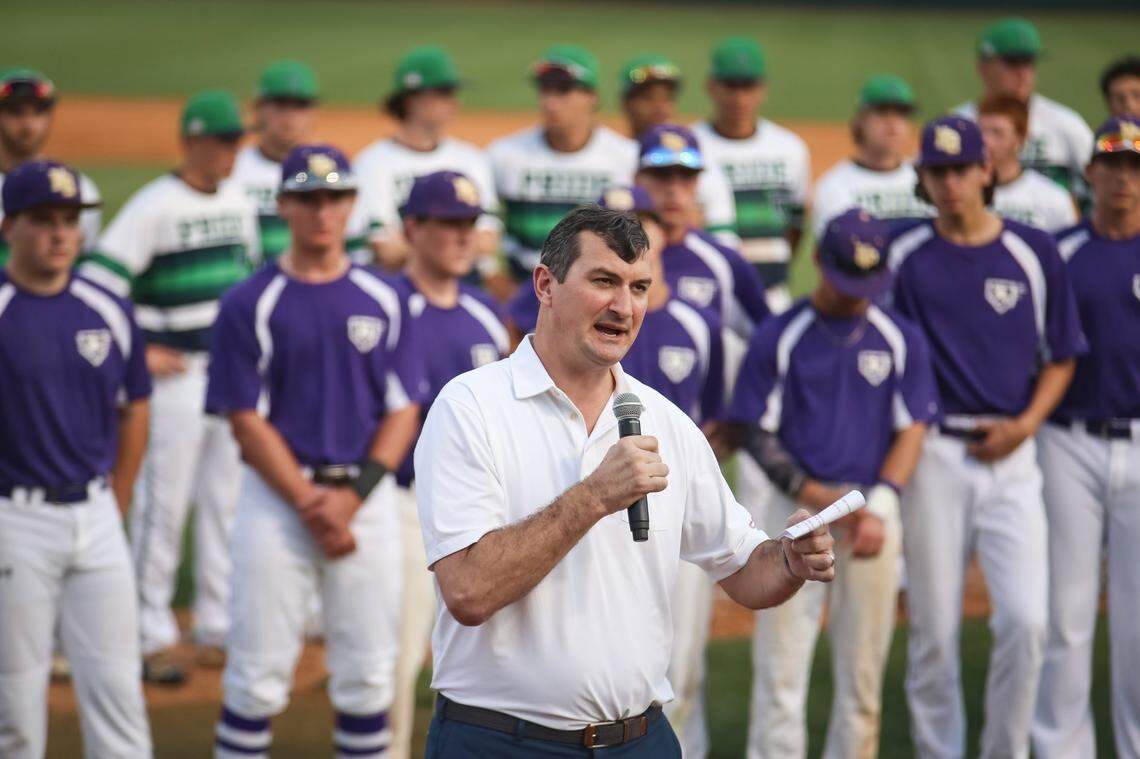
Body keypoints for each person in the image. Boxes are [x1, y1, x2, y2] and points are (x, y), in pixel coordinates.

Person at [415, 205, 836, 758]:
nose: (624, 306)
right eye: (604, 281)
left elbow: (741, 568)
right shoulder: (471, 407)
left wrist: (787, 561)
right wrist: (593, 497)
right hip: (500, 742)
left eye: (639, 287)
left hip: (640, 741)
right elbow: (468, 591)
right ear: (545, 284)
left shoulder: (666, 422)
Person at [207, 144, 424, 759]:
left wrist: (350, 499)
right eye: (307, 198)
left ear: (352, 204)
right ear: (283, 205)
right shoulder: (248, 303)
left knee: (368, 678)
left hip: (365, 501)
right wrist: (311, 503)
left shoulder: (384, 298)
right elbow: (244, 418)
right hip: (278, 503)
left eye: (333, 198)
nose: (321, 211)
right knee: (254, 678)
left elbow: (404, 408)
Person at [888, 116, 1086, 759]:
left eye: (960, 170)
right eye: (935, 172)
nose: (948, 184)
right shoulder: (903, 254)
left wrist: (1027, 424)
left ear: (987, 172)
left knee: (1028, 621)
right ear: (922, 179)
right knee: (935, 633)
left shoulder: (1034, 251)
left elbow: (1063, 354)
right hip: (936, 456)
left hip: (1015, 456)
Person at [729, 209, 938, 759]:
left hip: (871, 510)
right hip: (794, 510)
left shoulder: (899, 337)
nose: (855, 295)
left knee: (862, 677)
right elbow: (754, 430)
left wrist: (882, 504)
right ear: (819, 260)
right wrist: (823, 500)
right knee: (780, 673)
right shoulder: (782, 334)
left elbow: (914, 425)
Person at [78, 90, 260, 684]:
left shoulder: (237, 198)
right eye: (220, 140)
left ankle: (215, 620)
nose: (231, 151)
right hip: (176, 379)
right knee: (162, 507)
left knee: (223, 503)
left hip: (225, 377)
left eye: (236, 140)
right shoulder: (153, 205)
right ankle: (147, 631)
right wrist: (141, 348)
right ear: (191, 141)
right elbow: (98, 284)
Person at [0, 160, 152, 758]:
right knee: (14, 707)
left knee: (118, 691)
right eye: (43, 220)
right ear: (9, 225)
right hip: (15, 521)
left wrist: (118, 498)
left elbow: (135, 405)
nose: (61, 234)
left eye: (70, 220)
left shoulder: (107, 307)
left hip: (96, 517)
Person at [596, 185, 727, 758]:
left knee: (685, 663)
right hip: (597, 506)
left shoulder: (698, 326)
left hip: (677, 506)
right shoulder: (589, 323)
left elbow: (719, 417)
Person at [387, 170, 509, 759]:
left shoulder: (486, 313)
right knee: (395, 658)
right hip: (401, 506)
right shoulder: (388, 308)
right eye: (449, 224)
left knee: (480, 660)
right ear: (413, 228)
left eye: (470, 225)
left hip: (480, 514)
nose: (464, 237)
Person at [1033, 116, 1140, 759]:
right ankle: (1060, 749)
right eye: (1113, 165)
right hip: (1066, 440)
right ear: (1090, 173)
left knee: (1138, 622)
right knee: (1067, 615)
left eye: (1134, 167)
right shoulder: (1060, 252)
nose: (1124, 178)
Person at [352, 47, 503, 289]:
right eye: (444, 93)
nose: (454, 102)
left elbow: (487, 241)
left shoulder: (472, 159)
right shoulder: (371, 164)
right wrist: (454, 250)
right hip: (398, 289)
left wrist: (426, 249)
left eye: (453, 93)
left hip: (464, 287)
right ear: (411, 99)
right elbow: (386, 251)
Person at [487, 45, 637, 284]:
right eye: (545, 90)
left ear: (592, 97)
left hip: (598, 286)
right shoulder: (506, 154)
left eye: (563, 90)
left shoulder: (626, 158)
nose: (550, 102)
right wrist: (493, 275)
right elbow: (483, 223)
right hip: (524, 283)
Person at [692, 37, 811, 314]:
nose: (739, 98)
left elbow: (796, 224)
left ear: (762, 90)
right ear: (712, 87)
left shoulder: (790, 149)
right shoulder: (693, 147)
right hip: (710, 295)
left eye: (748, 87)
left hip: (773, 293)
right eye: (730, 86)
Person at [955, 18, 1093, 199]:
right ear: (983, 68)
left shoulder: (1066, 123)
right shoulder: (958, 124)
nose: (1023, 72)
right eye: (1012, 62)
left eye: (1029, 62)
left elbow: (1099, 182)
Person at [618, 54, 738, 247]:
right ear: (625, 103)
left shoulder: (698, 159)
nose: (659, 107)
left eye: (667, 98)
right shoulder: (609, 157)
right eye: (648, 98)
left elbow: (725, 239)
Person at [0, 68, 101, 265]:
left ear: (50, 117)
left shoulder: (77, 189)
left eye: (38, 112)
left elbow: (83, 262)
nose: (28, 124)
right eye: (15, 112)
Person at [812, 74, 933, 237]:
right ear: (860, 120)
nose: (893, 123)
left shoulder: (929, 179)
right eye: (883, 112)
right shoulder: (834, 187)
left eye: (901, 114)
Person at [228, 60, 319, 262]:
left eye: (299, 107)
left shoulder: (329, 170)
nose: (289, 117)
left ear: (314, 112)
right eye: (280, 106)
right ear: (258, 109)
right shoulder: (232, 170)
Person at [977, 94, 1078, 232]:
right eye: (980, 131)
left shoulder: (1053, 198)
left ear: (1021, 138)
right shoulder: (962, 194)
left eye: (997, 132)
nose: (985, 141)